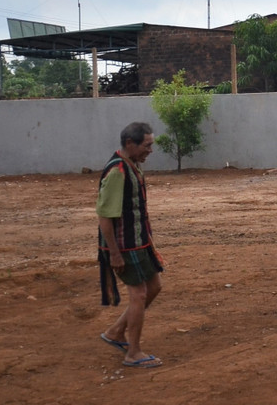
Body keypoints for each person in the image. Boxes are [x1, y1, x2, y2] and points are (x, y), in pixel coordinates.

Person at [96, 121, 164, 369]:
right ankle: (133, 352)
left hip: (139, 242)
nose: (150, 150)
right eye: (146, 145)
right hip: (125, 247)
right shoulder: (118, 172)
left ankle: (116, 332)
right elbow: (105, 216)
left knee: (154, 286)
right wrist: (114, 254)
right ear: (129, 143)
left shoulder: (131, 165)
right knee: (139, 294)